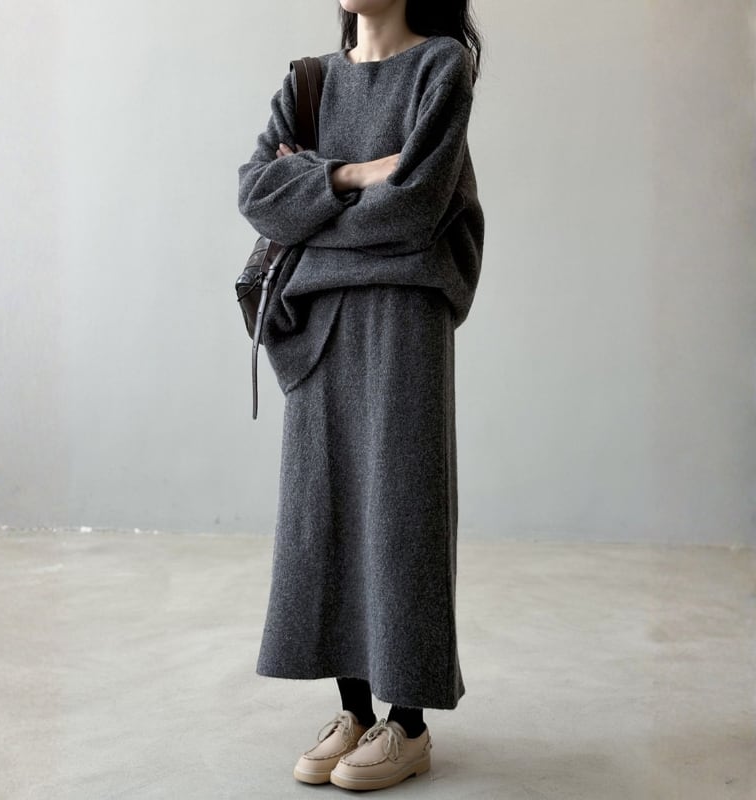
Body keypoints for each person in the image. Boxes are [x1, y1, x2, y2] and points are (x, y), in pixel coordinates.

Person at [237, 0, 484, 791]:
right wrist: (352, 172)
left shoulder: (440, 66)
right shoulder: (309, 81)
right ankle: (353, 709)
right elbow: (256, 192)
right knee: (327, 508)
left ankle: (407, 724)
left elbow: (416, 206)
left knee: (403, 508)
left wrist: (312, 203)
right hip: (318, 325)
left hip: (405, 318)